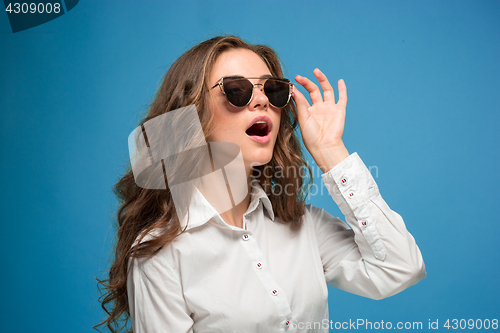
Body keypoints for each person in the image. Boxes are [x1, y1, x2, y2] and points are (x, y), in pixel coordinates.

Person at [96, 36, 426, 333]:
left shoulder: (302, 225)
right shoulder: (160, 251)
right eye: (236, 90)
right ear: (191, 114)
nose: (261, 101)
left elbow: (399, 268)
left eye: (272, 90)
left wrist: (330, 151)